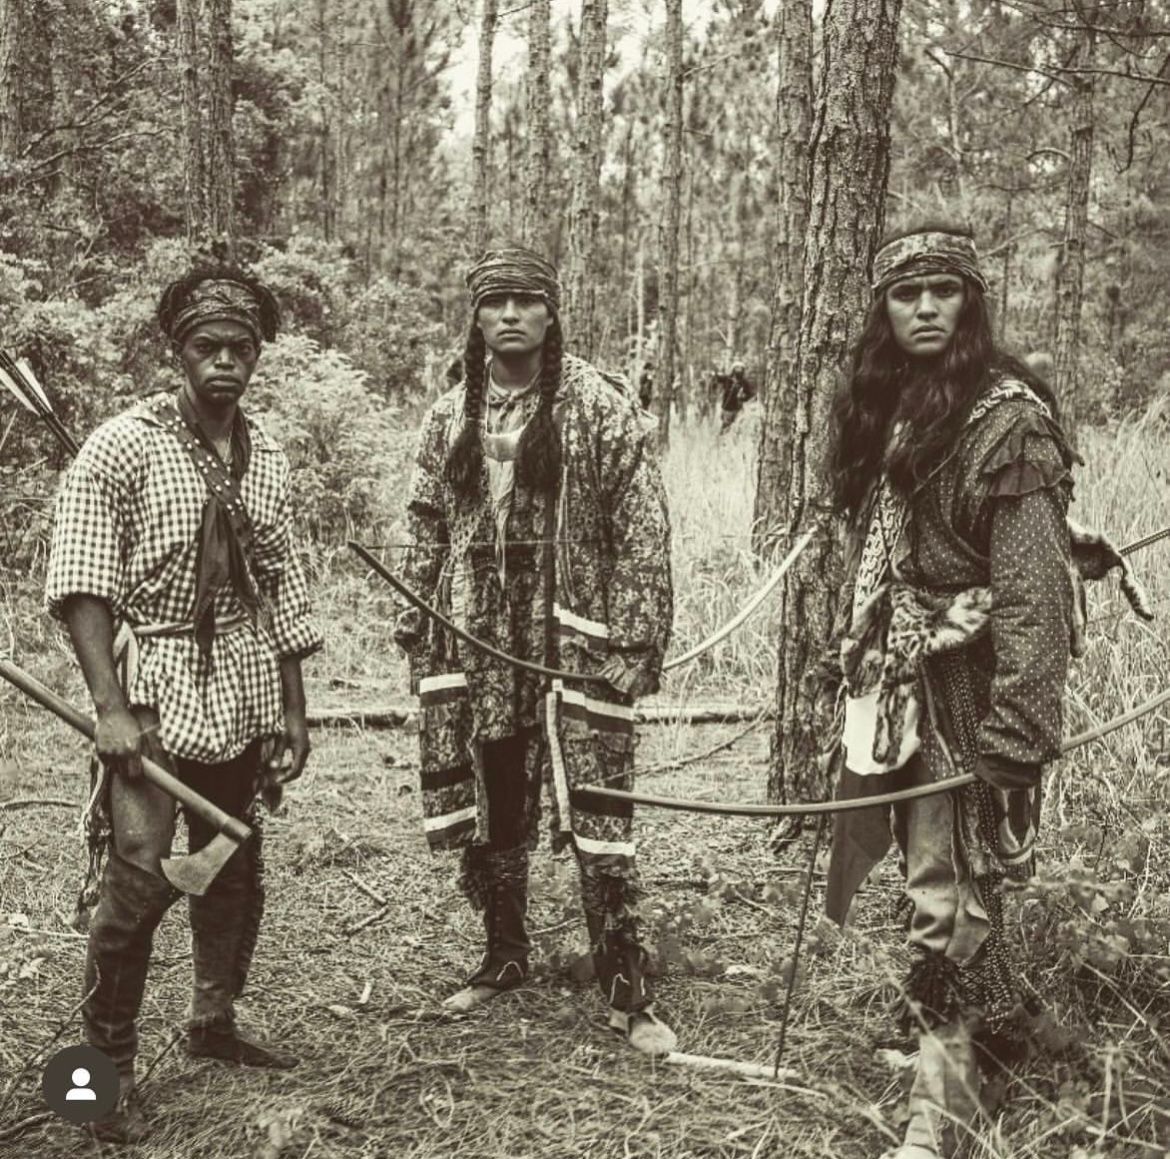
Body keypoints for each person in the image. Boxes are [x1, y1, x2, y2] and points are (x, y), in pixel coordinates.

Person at [44, 267, 323, 1144]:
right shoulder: (122, 446)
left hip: (241, 681)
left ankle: (213, 1019)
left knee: (232, 859)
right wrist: (110, 704)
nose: (226, 364)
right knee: (135, 876)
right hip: (154, 679)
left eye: (241, 349)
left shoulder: (265, 455)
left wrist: (293, 707)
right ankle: (100, 1074)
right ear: (178, 352)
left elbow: (280, 586)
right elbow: (83, 581)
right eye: (208, 347)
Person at [820, 223, 1077, 1158]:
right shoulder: (886, 405)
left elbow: (1035, 594)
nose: (924, 307)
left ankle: (945, 1101)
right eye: (905, 293)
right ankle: (1019, 1029)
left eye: (944, 291)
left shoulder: (1010, 421)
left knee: (950, 881)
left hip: (975, 689)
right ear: (882, 310)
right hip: (900, 676)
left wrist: (1017, 728)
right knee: (932, 872)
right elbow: (873, 552)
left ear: (973, 301)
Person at [394, 245, 677, 1056]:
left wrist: (634, 635)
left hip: (574, 635)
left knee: (597, 798)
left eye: (526, 300)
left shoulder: (597, 405)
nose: (510, 314)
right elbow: (425, 518)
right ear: (477, 316)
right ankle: (504, 954)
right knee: (497, 789)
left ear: (551, 314)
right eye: (496, 301)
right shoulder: (452, 412)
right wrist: (416, 621)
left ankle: (626, 980)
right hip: (479, 634)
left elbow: (643, 525)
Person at [716, 360, 756, 432]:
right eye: (737, 368)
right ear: (733, 369)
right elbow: (718, 378)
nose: (739, 370)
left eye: (741, 368)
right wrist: (718, 370)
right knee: (726, 427)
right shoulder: (727, 379)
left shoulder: (744, 382)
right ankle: (721, 441)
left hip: (738, 408)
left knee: (738, 428)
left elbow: (750, 394)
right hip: (727, 408)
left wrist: (743, 397)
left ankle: (734, 442)